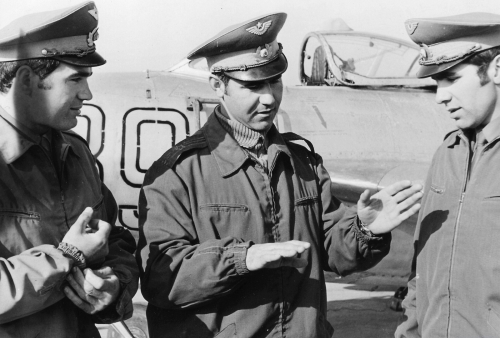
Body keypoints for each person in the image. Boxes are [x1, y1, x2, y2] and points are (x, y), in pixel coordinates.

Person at [137, 12, 423, 338]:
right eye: (253, 85)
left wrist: (365, 230)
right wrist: (241, 258)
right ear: (218, 86)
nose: (269, 97)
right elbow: (161, 279)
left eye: (275, 79)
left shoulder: (303, 163)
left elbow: (332, 251)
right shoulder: (177, 173)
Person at [0, 2, 139, 337]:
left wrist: (114, 286)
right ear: (26, 80)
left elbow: (113, 237)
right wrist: (68, 256)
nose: (87, 94)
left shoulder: (73, 151)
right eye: (75, 78)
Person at [395, 13, 500, 338]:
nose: (440, 96)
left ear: (496, 69)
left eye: (452, 78)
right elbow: (422, 272)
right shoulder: (447, 153)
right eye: (436, 82)